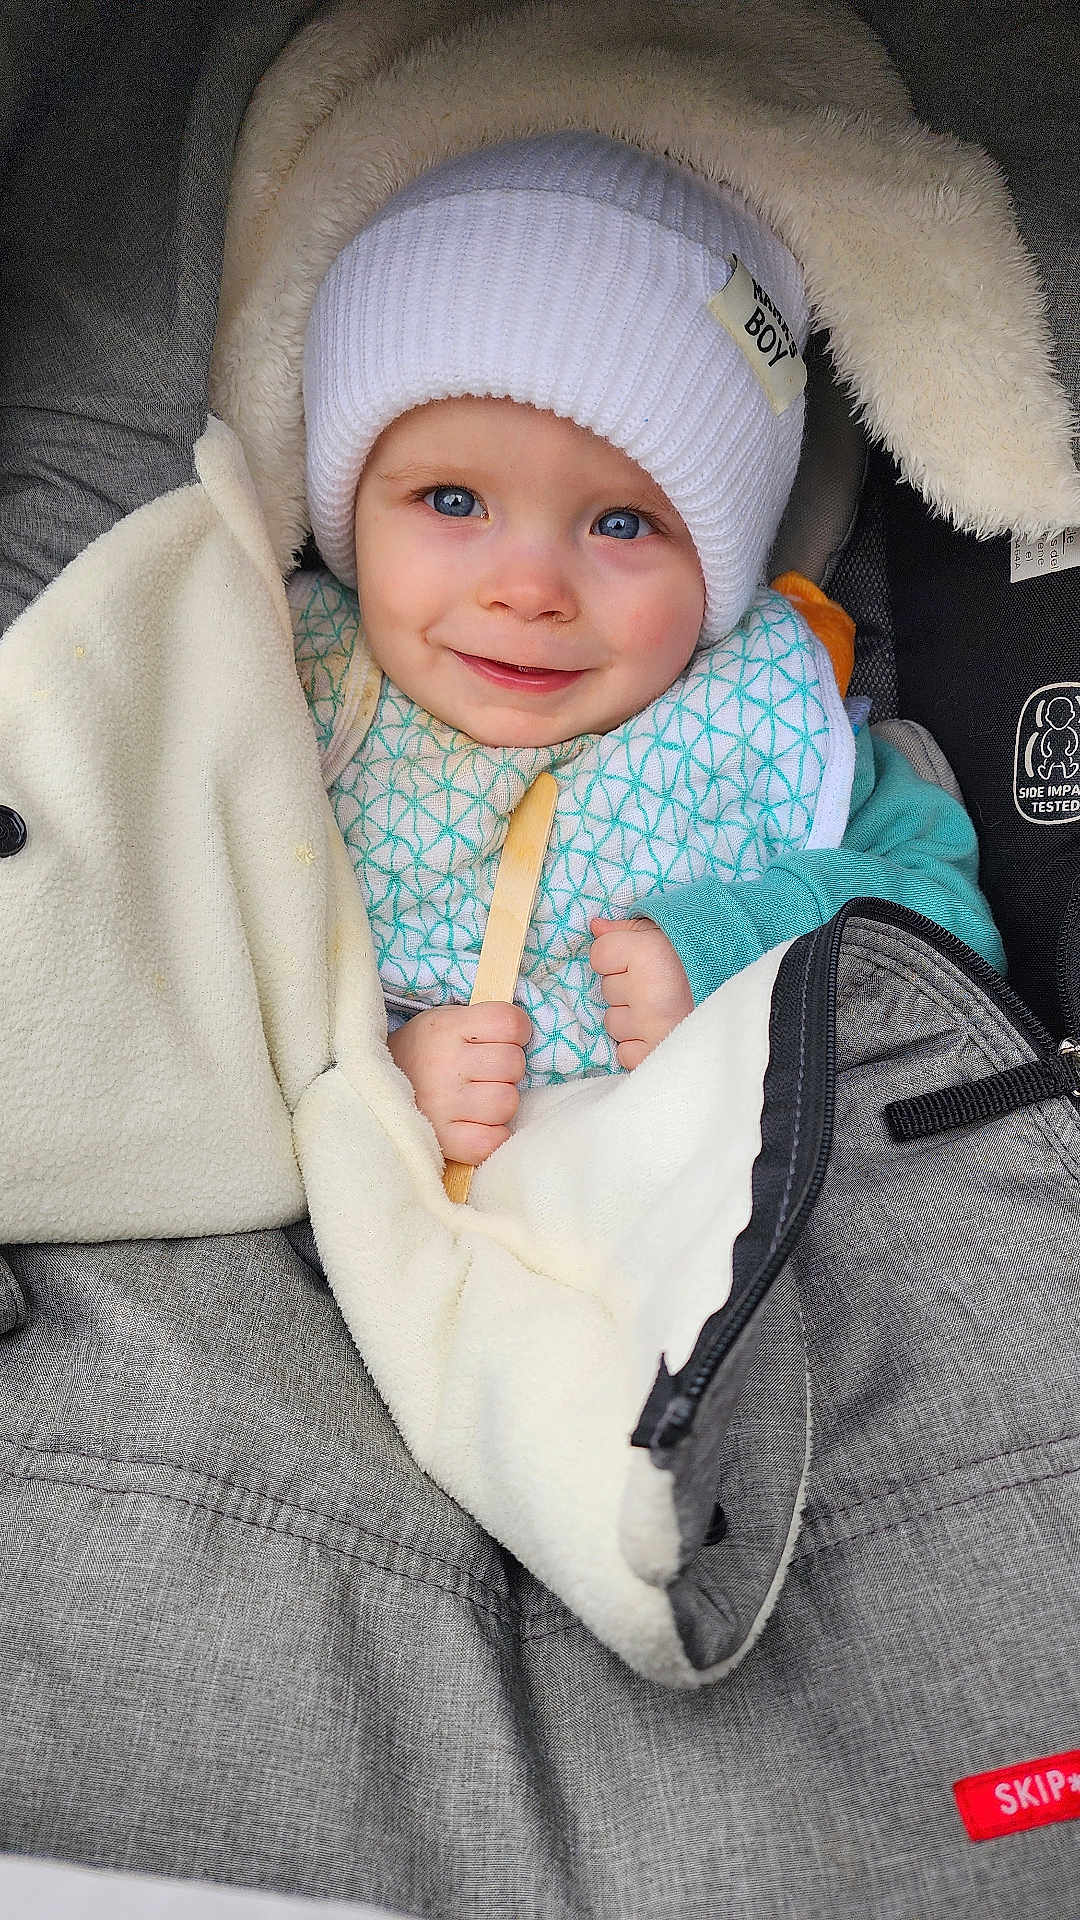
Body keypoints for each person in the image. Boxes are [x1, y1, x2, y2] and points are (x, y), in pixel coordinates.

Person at [293, 131, 1004, 1169]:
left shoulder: (753, 711)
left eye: (621, 525)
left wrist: (737, 943)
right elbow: (192, 987)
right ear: (349, 517)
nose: (530, 590)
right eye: (455, 501)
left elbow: (949, 931)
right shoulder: (296, 697)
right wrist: (376, 1075)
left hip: (709, 1240)